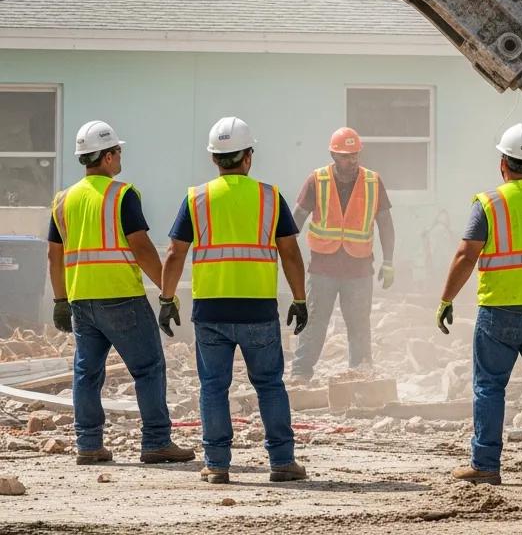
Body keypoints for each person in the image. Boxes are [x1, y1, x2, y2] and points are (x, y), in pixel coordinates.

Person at [160, 116, 308, 484]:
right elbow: (290, 252)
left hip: (210, 310)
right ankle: (282, 462)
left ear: (214, 159)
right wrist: (300, 299)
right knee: (270, 385)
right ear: (248, 157)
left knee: (213, 387)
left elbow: (175, 252)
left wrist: (166, 298)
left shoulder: (196, 198)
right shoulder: (270, 197)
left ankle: (216, 465)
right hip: (258, 309)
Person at [47, 120, 194, 466]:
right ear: (109, 157)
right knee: (148, 367)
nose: (121, 157)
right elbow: (141, 248)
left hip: (81, 298)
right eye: (119, 151)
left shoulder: (63, 200)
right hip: (122, 297)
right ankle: (157, 441)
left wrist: (59, 300)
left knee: (87, 372)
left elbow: (54, 254)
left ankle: (88, 444)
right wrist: (167, 292)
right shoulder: (122, 195)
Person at [436, 123, 522, 485]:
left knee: (489, 387)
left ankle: (485, 465)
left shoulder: (489, 203)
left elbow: (466, 255)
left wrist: (447, 298)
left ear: (503, 164)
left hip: (501, 309)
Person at [290, 127, 395, 378]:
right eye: (346, 156)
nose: (352, 160)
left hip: (359, 269)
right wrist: (286, 256)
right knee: (314, 321)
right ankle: (301, 372)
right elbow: (296, 221)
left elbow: (386, 224)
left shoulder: (372, 181)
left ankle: (360, 373)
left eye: (355, 155)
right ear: (333, 155)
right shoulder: (317, 180)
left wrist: (388, 260)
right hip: (322, 268)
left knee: (359, 324)